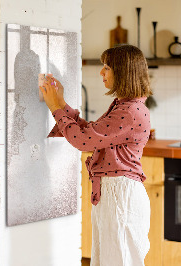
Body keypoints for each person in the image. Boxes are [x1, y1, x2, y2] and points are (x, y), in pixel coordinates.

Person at [39, 44, 152, 266]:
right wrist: (61, 103)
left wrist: (55, 108)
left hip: (120, 196)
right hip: (114, 194)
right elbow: (91, 133)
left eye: (107, 67)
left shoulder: (129, 111)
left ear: (123, 71)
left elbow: (83, 141)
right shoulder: (125, 106)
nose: (101, 72)